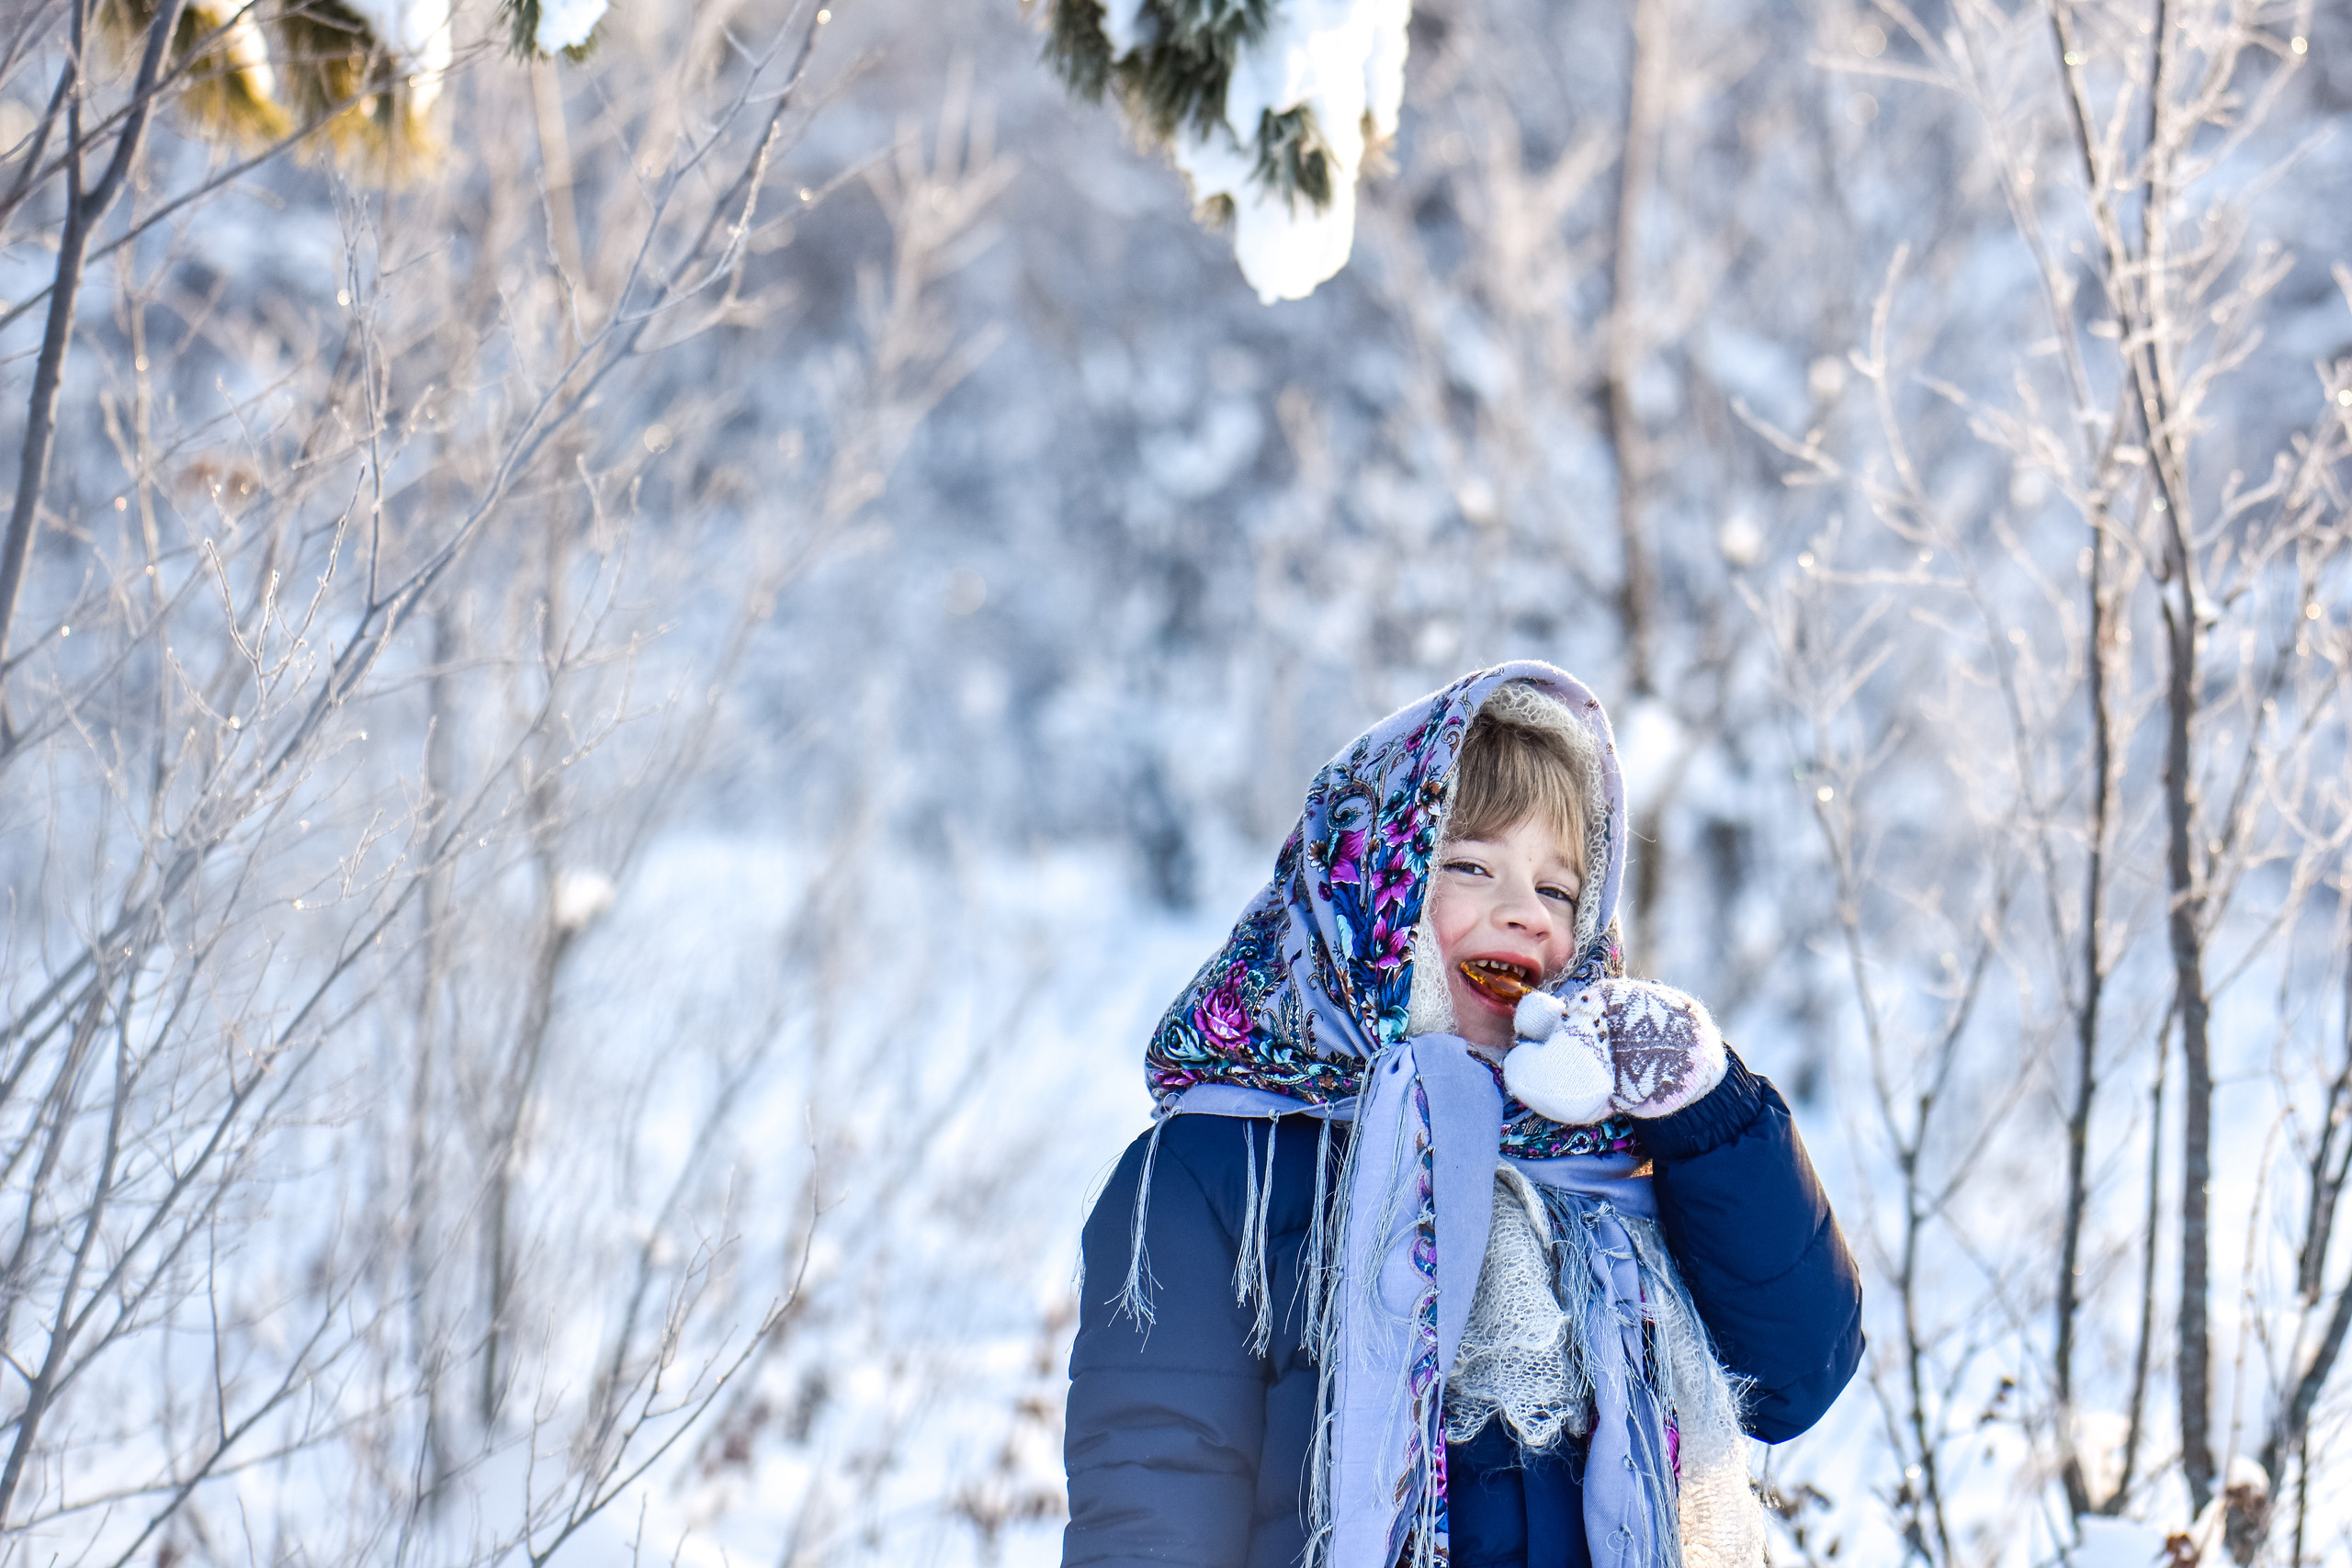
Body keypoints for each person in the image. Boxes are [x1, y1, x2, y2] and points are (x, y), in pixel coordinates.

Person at [1061, 662, 1863, 1568]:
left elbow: (1794, 1376)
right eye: (1472, 866)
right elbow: (1153, 1495)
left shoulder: (1609, 1166)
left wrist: (1704, 1105)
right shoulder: (1217, 1171)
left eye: (1558, 889)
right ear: (1368, 891)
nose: (1524, 914)